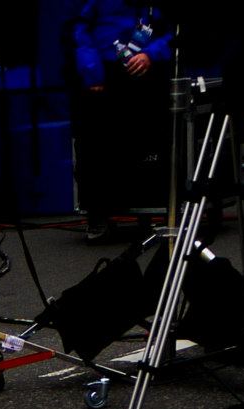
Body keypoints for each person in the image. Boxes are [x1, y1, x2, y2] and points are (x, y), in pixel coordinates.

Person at [70, 2, 172, 245]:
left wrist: (151, 55)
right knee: (94, 142)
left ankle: (151, 210)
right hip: (103, 74)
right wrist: (92, 70)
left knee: (150, 142)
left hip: (147, 71)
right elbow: (80, 31)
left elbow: (172, 32)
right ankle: (97, 213)